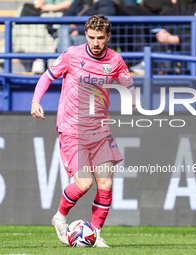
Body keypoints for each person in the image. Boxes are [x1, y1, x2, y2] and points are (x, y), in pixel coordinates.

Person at [31, 14, 138, 247]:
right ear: (86, 35)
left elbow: (127, 82)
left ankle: (96, 234)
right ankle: (59, 217)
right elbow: (47, 77)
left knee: (106, 184)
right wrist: (36, 101)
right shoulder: (71, 54)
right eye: (91, 37)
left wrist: (132, 98)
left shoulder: (116, 60)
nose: (96, 42)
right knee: (83, 183)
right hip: (72, 128)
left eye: (101, 38)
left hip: (100, 130)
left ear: (108, 37)